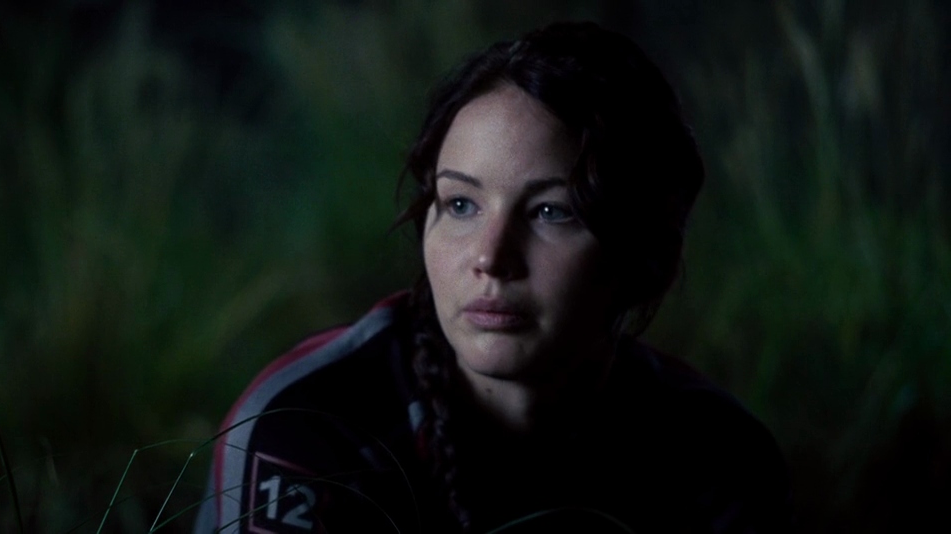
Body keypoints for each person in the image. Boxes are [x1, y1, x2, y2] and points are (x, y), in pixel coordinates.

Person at [191, 21, 792, 534]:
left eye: (551, 212)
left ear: (643, 250)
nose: (490, 256)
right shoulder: (308, 428)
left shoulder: (719, 456)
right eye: (460, 205)